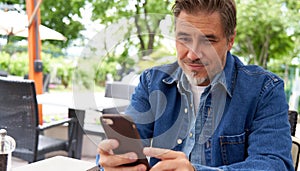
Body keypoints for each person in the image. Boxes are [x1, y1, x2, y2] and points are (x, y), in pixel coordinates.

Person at [97, 0, 294, 170]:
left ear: (230, 41)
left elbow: (275, 165)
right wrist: (110, 162)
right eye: (184, 39)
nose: (192, 55)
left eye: (208, 41)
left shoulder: (264, 89)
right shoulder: (152, 82)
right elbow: (123, 147)